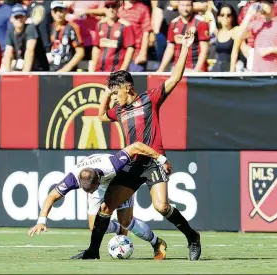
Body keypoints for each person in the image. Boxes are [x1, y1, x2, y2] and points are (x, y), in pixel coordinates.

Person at [77, 29, 201, 261]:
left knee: (162, 206)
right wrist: (107, 90)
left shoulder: (149, 98)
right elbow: (102, 115)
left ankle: (192, 237)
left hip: (153, 161)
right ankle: (93, 251)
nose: (114, 97)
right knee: (105, 208)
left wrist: (184, 47)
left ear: (128, 88)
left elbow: (175, 78)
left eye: (116, 92)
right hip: (132, 165)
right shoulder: (119, 110)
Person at [27, 141, 170, 260]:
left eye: (92, 189)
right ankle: (119, 229)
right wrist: (41, 221)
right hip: (98, 183)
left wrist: (161, 159)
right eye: (87, 191)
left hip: (117, 182)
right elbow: (52, 196)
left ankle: (156, 242)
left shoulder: (112, 164)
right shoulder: (74, 178)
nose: (90, 192)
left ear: (97, 180)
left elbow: (137, 146)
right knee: (93, 227)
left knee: (126, 221)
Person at [232, 0, 277, 72]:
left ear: (273, 5)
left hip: (275, 73)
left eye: (265, 2)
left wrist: (270, 49)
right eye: (260, 2)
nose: (262, 5)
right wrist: (248, 15)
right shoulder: (256, 24)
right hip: (257, 73)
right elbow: (239, 36)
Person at [157, 0, 210, 72]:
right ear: (178, 6)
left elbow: (204, 50)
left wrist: (197, 70)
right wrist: (160, 70)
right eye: (182, 5)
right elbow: (170, 48)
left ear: (192, 6)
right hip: (177, 67)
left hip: (194, 67)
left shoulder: (200, 22)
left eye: (188, 5)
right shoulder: (174, 23)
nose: (185, 8)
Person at [89, 0, 135, 72]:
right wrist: (92, 68)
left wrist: (123, 70)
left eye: (113, 7)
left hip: (117, 71)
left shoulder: (125, 26)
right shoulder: (100, 25)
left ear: (118, 8)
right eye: (107, 7)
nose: (110, 10)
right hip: (99, 71)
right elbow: (96, 47)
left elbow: (130, 49)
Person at [3, 3, 49, 72]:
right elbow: (8, 52)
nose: (19, 19)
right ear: (11, 19)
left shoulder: (30, 28)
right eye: (16, 17)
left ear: (25, 18)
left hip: (39, 70)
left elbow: (29, 51)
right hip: (22, 66)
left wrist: (25, 74)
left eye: (21, 16)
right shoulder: (10, 32)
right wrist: (6, 73)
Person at [48, 0, 84, 72]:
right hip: (52, 69)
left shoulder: (72, 27)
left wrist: (65, 69)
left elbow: (80, 52)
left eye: (61, 10)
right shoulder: (51, 27)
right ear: (52, 13)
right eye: (56, 11)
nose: (58, 14)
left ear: (65, 11)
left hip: (67, 72)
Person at [211, 4, 242, 72]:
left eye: (229, 15)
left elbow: (235, 52)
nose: (225, 17)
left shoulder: (235, 30)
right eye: (222, 15)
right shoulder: (217, 32)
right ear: (218, 17)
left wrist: (232, 72)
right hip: (217, 69)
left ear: (232, 17)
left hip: (230, 69)